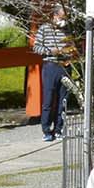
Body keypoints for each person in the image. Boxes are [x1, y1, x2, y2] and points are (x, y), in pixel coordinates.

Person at [34, 12, 71, 143]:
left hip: (65, 65)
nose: (63, 21)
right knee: (48, 100)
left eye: (65, 18)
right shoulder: (44, 28)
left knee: (63, 100)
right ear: (54, 15)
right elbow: (36, 47)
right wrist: (50, 51)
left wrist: (70, 51)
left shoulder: (68, 29)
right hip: (50, 65)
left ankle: (59, 129)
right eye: (61, 17)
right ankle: (46, 130)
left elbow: (75, 46)